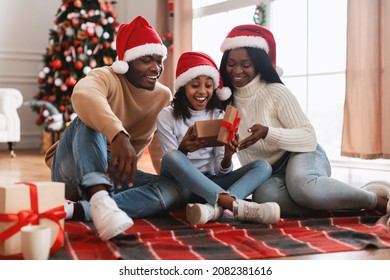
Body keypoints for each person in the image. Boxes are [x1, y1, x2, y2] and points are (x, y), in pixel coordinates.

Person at [218, 24, 390, 217]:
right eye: (231, 63)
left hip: (302, 154)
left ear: (258, 63)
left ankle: (375, 199)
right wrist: (226, 155)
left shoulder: (275, 92)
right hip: (270, 172)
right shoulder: (225, 103)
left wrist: (268, 132)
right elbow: (224, 164)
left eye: (245, 64)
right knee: (264, 197)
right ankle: (346, 201)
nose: (236, 70)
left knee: (302, 186)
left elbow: (308, 137)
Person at [44, 16, 185, 241]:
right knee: (86, 119)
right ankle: (99, 198)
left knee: (174, 189)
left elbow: (160, 147)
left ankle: (82, 209)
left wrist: (168, 177)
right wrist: (118, 135)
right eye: (147, 60)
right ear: (126, 62)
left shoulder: (163, 95)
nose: (155, 68)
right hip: (71, 170)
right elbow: (83, 94)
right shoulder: (106, 76)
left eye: (159, 60)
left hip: (117, 174)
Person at [156, 51, 280, 226]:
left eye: (208, 85)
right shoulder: (166, 116)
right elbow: (170, 164)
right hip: (180, 185)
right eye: (195, 85)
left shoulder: (219, 114)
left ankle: (213, 209)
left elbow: (219, 170)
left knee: (263, 166)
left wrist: (228, 156)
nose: (202, 91)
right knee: (172, 156)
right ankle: (232, 204)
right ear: (184, 86)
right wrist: (183, 149)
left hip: (211, 181)